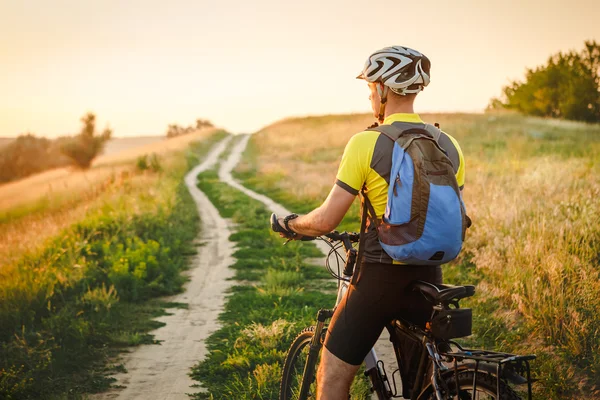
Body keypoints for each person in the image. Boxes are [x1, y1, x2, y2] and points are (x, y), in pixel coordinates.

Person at [275, 46, 466, 400]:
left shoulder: (366, 143)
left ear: (382, 90)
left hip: (378, 278)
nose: (369, 96)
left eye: (370, 88)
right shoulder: (449, 145)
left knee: (331, 378)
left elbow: (326, 219)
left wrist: (293, 223)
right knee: (422, 386)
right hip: (430, 279)